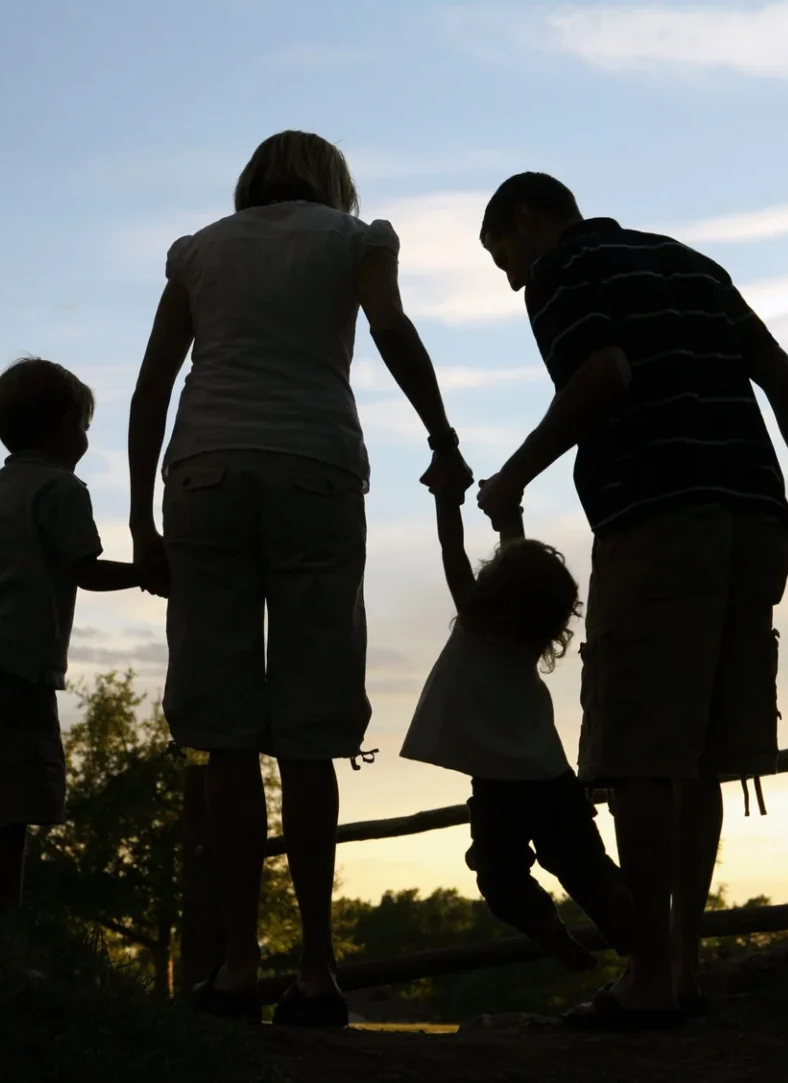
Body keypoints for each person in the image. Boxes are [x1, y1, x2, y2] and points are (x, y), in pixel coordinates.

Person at [474, 173, 788, 1030]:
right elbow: (781, 375)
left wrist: (515, 474)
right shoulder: (689, 263)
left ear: (529, 219)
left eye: (505, 258)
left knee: (640, 751)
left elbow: (603, 374)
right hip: (754, 516)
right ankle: (682, 965)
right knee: (703, 754)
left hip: (657, 514)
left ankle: (646, 977)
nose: (514, 280)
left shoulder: (565, 269)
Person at [126, 130, 472, 1028]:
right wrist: (441, 435)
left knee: (225, 734)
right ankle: (317, 969)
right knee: (310, 733)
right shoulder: (355, 241)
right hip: (316, 471)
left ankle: (238, 966)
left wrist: (139, 517)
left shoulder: (199, 252)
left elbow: (152, 386)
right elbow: (392, 332)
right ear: (332, 181)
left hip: (204, 472)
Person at [0, 356, 141, 913]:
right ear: (68, 425)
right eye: (85, 427)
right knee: (14, 801)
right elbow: (85, 570)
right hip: (11, 666)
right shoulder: (60, 489)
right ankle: (3, 926)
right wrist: (150, 573)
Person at [400, 480, 637, 971]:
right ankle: (630, 930)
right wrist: (510, 516)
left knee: (500, 875)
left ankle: (545, 926)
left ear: (495, 589)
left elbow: (451, 549)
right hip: (552, 776)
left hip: (498, 787)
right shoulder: (529, 639)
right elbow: (520, 566)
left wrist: (447, 497)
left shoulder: (476, 620)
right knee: (582, 863)